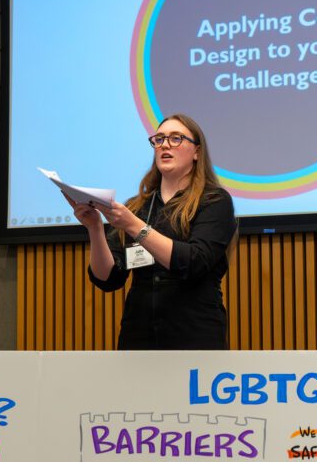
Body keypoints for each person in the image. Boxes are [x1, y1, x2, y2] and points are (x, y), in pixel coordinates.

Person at [68, 114, 236, 349]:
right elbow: (108, 279)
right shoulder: (137, 207)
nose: (165, 144)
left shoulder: (214, 201)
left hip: (194, 336)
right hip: (139, 337)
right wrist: (95, 229)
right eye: (159, 139)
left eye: (176, 138)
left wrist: (134, 226)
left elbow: (193, 262)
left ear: (197, 151)